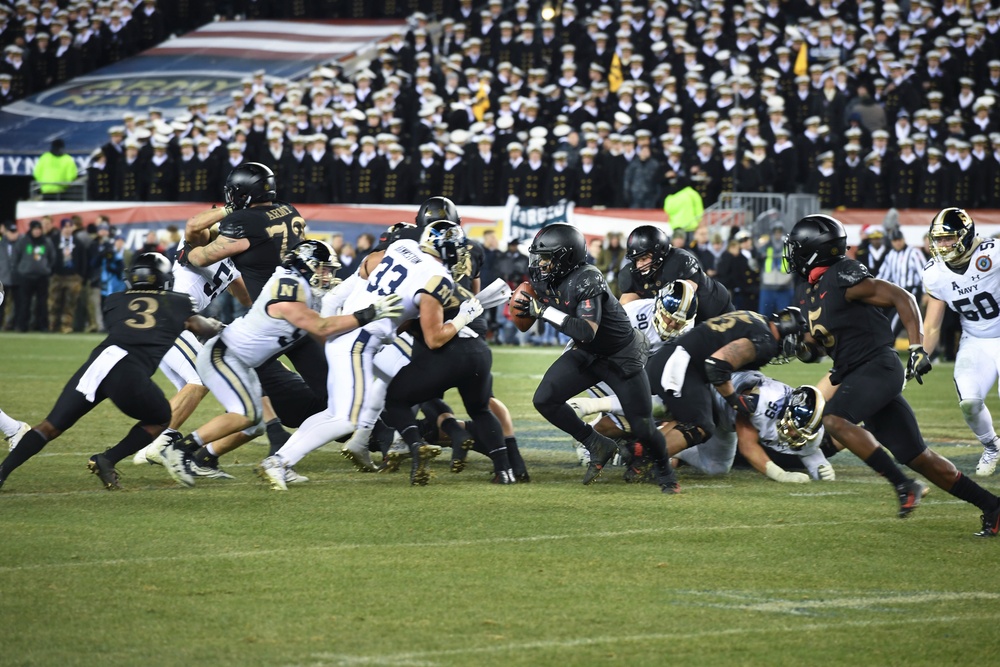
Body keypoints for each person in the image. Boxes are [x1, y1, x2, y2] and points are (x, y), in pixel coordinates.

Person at [785, 214, 1000, 537]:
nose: (791, 254)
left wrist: (916, 347)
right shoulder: (807, 289)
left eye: (797, 248)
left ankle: (903, 486)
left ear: (813, 250)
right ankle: (992, 506)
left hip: (878, 366)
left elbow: (903, 297)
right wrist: (799, 346)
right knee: (917, 456)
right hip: (854, 372)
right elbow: (820, 341)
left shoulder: (844, 274)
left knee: (834, 420)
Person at [161, 240, 402, 487]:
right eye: (323, 268)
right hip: (225, 356)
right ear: (307, 265)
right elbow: (321, 327)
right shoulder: (288, 287)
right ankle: (180, 449)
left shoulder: (301, 287)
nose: (328, 275)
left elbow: (322, 332)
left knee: (254, 425)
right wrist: (368, 314)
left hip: (242, 361)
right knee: (246, 415)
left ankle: (231, 459)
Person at [0, 254, 220, 491]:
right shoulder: (178, 302)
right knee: (161, 418)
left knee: (50, 427)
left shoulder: (114, 300)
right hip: (129, 370)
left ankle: (3, 472)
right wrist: (215, 325)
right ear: (164, 279)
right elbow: (202, 327)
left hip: (98, 364)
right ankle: (108, 458)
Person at [513, 223, 679, 492]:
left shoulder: (588, 277)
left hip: (621, 356)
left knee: (643, 425)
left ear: (566, 257)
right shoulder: (544, 280)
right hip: (587, 354)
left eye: (546, 258)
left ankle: (666, 473)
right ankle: (595, 442)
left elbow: (586, 330)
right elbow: (529, 321)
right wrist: (525, 308)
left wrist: (543, 311)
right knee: (544, 399)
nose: (540, 264)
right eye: (539, 257)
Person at [180, 162, 326, 440]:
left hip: (271, 315)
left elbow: (201, 256)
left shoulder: (244, 222)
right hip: (299, 305)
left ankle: (268, 433)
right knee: (327, 387)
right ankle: (378, 430)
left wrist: (187, 253)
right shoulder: (288, 209)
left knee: (239, 359)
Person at [921, 208, 1000, 477]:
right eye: (938, 239)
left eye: (948, 238)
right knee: (969, 401)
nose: (942, 245)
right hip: (976, 339)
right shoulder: (935, 273)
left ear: (965, 236)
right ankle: (992, 446)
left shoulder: (993, 252)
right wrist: (920, 353)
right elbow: (932, 323)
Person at [618, 224, 733, 326]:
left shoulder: (678, 262)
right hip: (682, 323)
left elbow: (683, 301)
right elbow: (625, 307)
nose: (639, 265)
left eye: (643, 258)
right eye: (636, 260)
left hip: (715, 312)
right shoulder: (631, 274)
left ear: (659, 252)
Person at [876, 228, 927, 337]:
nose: (898, 242)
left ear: (903, 239)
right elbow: (883, 275)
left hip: (911, 291)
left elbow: (923, 273)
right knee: (894, 319)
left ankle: (888, 343)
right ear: (891, 242)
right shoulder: (890, 255)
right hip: (896, 291)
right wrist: (873, 288)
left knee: (896, 319)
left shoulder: (913, 252)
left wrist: (925, 292)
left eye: (899, 240)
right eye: (895, 240)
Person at [13, 220, 55, 332]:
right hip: (26, 276)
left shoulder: (46, 241)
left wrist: (46, 268)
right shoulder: (23, 241)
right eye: (35, 229)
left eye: (39, 229)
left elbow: (52, 258)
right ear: (31, 230)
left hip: (42, 276)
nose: (37, 231)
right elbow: (16, 257)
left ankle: (42, 326)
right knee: (24, 303)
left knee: (42, 303)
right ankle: (22, 326)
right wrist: (21, 270)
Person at [48, 218, 87, 333]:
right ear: (62, 228)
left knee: (70, 304)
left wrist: (80, 275)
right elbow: (49, 257)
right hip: (57, 276)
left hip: (72, 277)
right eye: (66, 227)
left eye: (70, 227)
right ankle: (52, 325)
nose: (68, 229)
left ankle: (66, 326)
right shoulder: (53, 240)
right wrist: (50, 271)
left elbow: (83, 259)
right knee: (53, 303)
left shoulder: (77, 242)